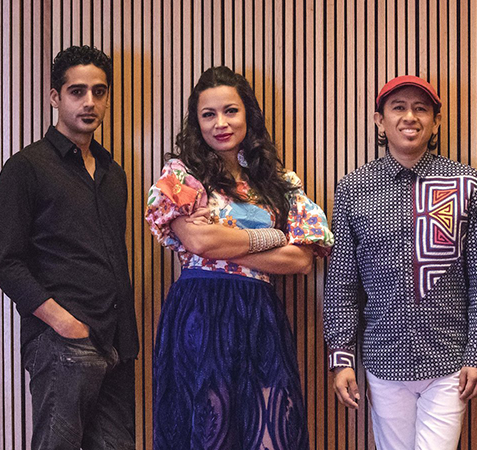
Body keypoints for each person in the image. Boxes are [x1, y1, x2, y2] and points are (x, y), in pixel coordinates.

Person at [145, 66, 333, 449]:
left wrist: (221, 240)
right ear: (197, 123)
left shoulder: (279, 182)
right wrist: (270, 236)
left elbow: (300, 260)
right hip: (200, 314)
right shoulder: (181, 176)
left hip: (259, 315)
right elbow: (197, 242)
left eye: (230, 111)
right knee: (210, 430)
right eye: (208, 114)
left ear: (248, 113)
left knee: (270, 431)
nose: (221, 123)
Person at [323, 75, 477, 449]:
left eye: (421, 109)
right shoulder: (353, 188)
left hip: (450, 360)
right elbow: (341, 283)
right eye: (398, 107)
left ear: (436, 121)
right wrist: (341, 359)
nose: (410, 117)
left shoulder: (466, 182)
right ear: (379, 120)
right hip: (384, 360)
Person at [0, 45, 138, 449]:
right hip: (63, 341)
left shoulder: (114, 173)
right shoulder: (26, 168)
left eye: (99, 91)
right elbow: (8, 264)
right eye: (77, 91)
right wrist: (64, 324)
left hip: (117, 341)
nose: (89, 102)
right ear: (55, 97)